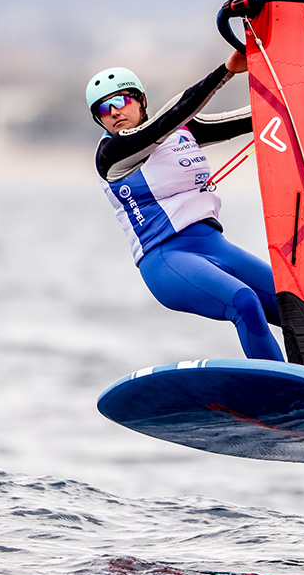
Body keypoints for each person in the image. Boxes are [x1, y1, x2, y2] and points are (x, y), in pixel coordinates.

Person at [86, 52, 284, 361]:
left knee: (299, 305)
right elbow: (167, 120)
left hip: (214, 246)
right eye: (103, 108)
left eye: (121, 101)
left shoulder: (184, 131)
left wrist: (299, 95)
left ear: (139, 101)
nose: (114, 112)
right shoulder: (112, 155)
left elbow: (256, 117)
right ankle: (281, 391)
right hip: (167, 260)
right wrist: (227, 71)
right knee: (243, 301)